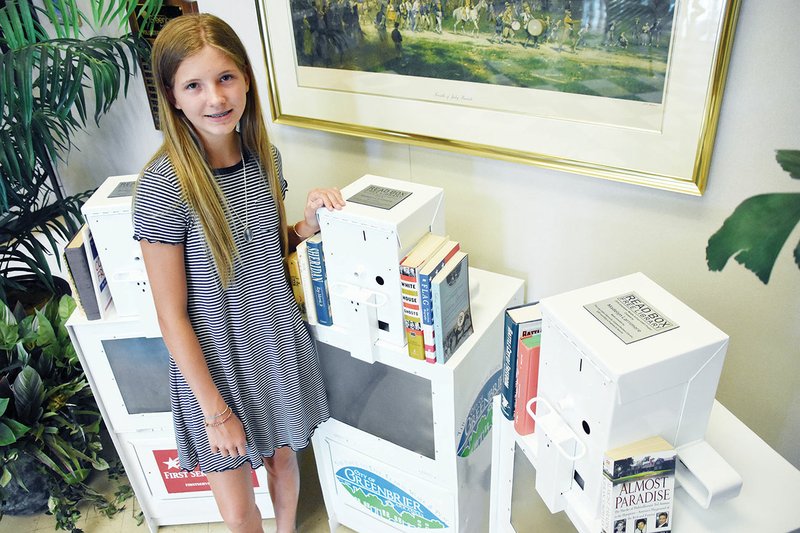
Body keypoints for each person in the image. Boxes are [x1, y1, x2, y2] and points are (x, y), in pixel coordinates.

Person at [132, 13, 345, 533]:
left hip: (276, 343)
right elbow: (170, 314)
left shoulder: (263, 158)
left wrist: (307, 225)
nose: (216, 98)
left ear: (247, 78)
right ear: (173, 96)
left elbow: (266, 251)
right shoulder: (164, 185)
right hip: (217, 365)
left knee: (285, 460)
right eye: (194, 85)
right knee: (236, 499)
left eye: (225, 78)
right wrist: (215, 411)